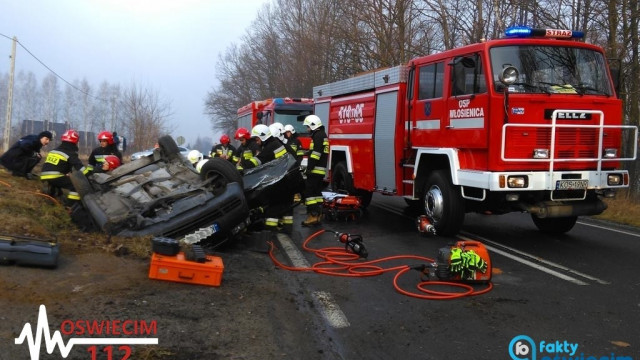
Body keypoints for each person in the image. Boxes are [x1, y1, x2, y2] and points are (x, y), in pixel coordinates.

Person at [40, 130, 88, 205]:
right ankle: (71, 206)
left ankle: (52, 191)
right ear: (75, 141)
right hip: (55, 176)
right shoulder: (70, 153)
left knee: (59, 184)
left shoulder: (54, 150)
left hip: (43, 175)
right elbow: (80, 168)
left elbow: (54, 165)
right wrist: (89, 175)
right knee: (76, 186)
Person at [301, 115, 329, 226]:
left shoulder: (317, 136)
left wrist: (309, 169)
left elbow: (316, 155)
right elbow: (317, 151)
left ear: (313, 125)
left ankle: (313, 215)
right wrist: (307, 152)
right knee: (317, 193)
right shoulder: (323, 135)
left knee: (309, 192)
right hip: (320, 170)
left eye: (308, 127)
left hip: (315, 170)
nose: (307, 129)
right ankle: (319, 214)